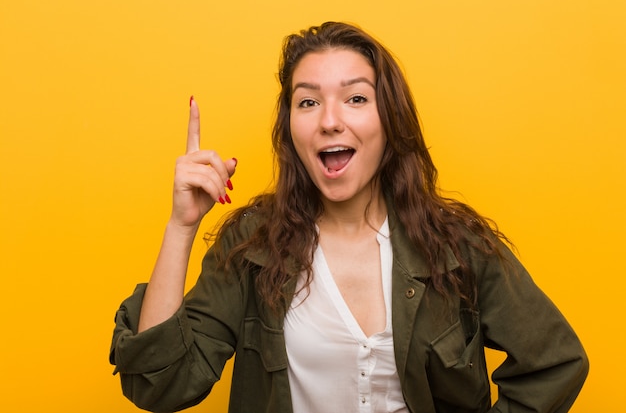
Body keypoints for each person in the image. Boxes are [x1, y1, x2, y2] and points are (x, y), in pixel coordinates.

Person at [110, 22, 588, 413]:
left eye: (356, 98)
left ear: (390, 119)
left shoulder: (455, 244)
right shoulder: (250, 245)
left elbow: (555, 364)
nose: (329, 120)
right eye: (308, 101)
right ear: (291, 128)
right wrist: (181, 227)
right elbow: (160, 384)